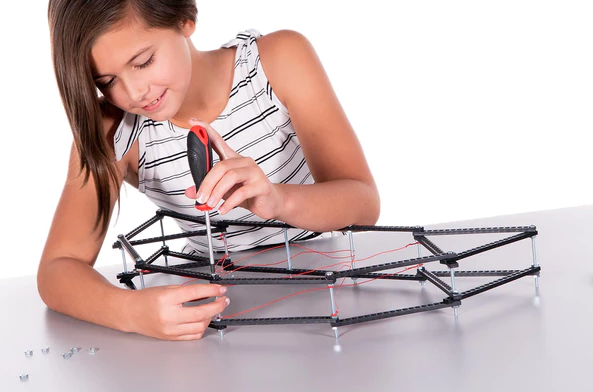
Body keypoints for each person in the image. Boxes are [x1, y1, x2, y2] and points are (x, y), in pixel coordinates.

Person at [39, 0, 380, 341]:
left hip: (325, 295)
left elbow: (363, 202)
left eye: (143, 62)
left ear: (184, 20)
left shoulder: (277, 61)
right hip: (217, 315)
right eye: (107, 81)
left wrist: (278, 200)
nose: (133, 93)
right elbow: (57, 269)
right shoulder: (113, 131)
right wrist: (132, 311)